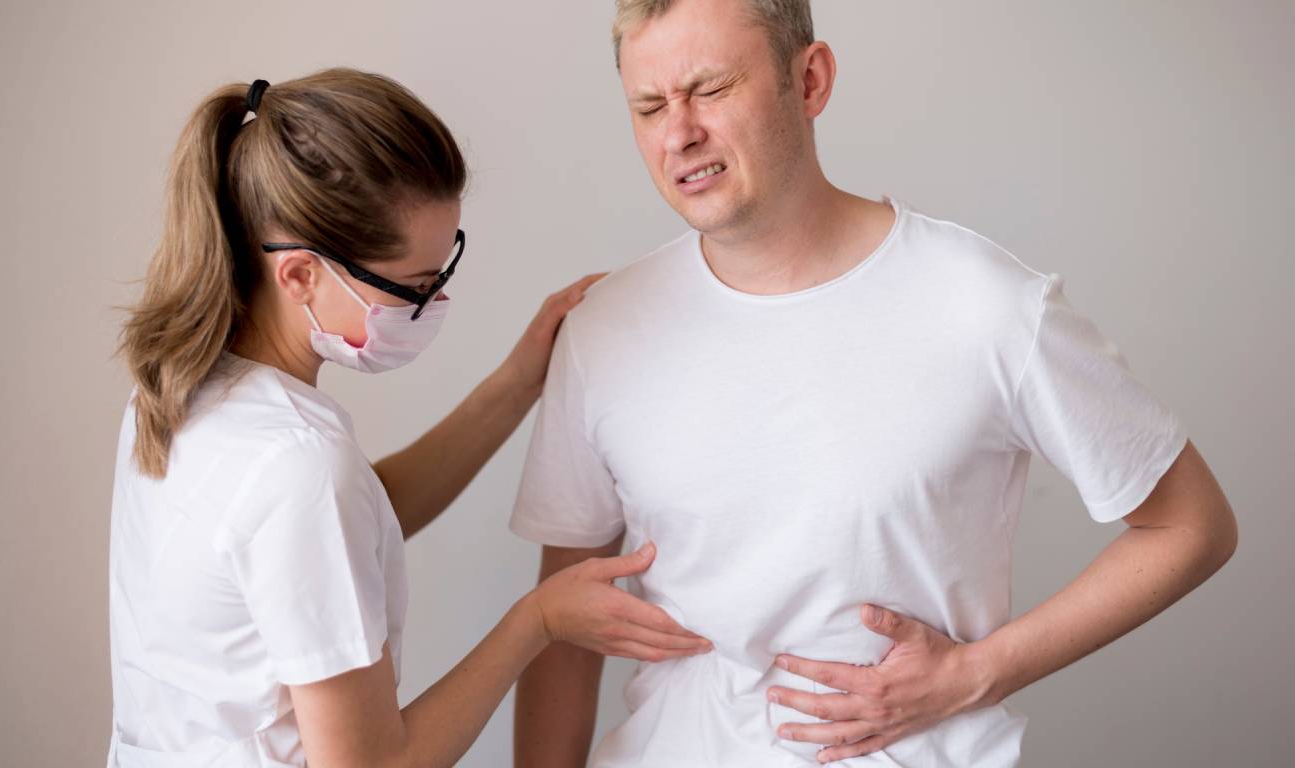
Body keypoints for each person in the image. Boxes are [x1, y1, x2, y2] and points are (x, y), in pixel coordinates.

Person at [509, 1, 1238, 766]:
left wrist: (977, 674)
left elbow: (1193, 523)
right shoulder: (603, 330)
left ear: (811, 80)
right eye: (650, 106)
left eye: (712, 90)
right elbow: (564, 628)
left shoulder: (982, 305)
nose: (679, 133)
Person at [108, 68, 711, 768]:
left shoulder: (178, 388)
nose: (433, 305)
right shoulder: (296, 465)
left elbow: (353, 523)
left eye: (442, 271)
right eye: (414, 288)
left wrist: (515, 384)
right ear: (300, 274)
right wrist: (537, 620)